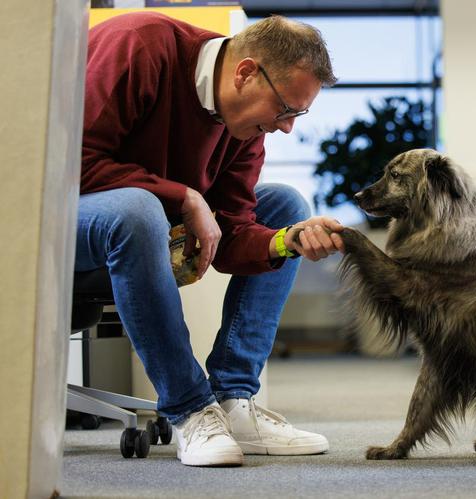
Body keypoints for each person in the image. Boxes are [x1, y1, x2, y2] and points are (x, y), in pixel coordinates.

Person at [77, 11, 345, 467]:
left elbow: (234, 235)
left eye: (297, 115)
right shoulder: (139, 46)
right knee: (137, 209)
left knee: (286, 207)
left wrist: (287, 241)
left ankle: (233, 399)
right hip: (58, 222)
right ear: (245, 73)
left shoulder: (244, 129)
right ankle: (189, 408)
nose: (286, 128)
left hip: (146, 232)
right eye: (284, 110)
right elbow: (71, 165)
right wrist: (184, 196)